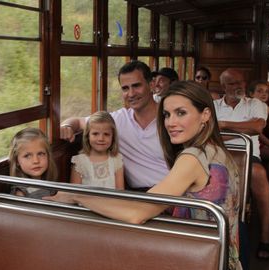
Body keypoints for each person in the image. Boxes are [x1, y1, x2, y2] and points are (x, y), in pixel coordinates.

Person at [47, 81, 242, 270]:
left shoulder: (192, 158)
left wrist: (76, 196)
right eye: (166, 115)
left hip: (202, 259)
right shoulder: (218, 151)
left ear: (205, 114)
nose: (170, 123)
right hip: (223, 255)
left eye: (181, 113)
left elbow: (137, 214)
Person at [60, 60, 169, 191]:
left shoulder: (170, 118)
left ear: (151, 85)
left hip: (173, 190)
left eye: (136, 86)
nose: (131, 93)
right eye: (125, 88)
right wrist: (67, 126)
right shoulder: (118, 119)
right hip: (140, 195)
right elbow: (78, 121)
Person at [213, 69, 269, 260]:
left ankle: (265, 232)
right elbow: (208, 132)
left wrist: (222, 125)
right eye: (232, 83)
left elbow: (257, 127)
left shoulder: (255, 104)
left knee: (258, 173)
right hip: (219, 155)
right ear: (223, 86)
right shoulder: (213, 105)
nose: (238, 86)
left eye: (241, 82)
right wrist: (241, 129)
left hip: (248, 154)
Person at [70, 111, 124, 189]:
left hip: (112, 201)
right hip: (86, 201)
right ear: (87, 136)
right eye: (95, 134)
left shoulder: (117, 160)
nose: (101, 139)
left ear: (113, 136)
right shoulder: (79, 162)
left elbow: (120, 192)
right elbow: (74, 193)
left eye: (106, 134)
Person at [8, 127, 58, 199]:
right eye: (27, 156)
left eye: (40, 154)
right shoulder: (20, 193)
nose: (36, 161)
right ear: (17, 161)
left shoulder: (49, 183)